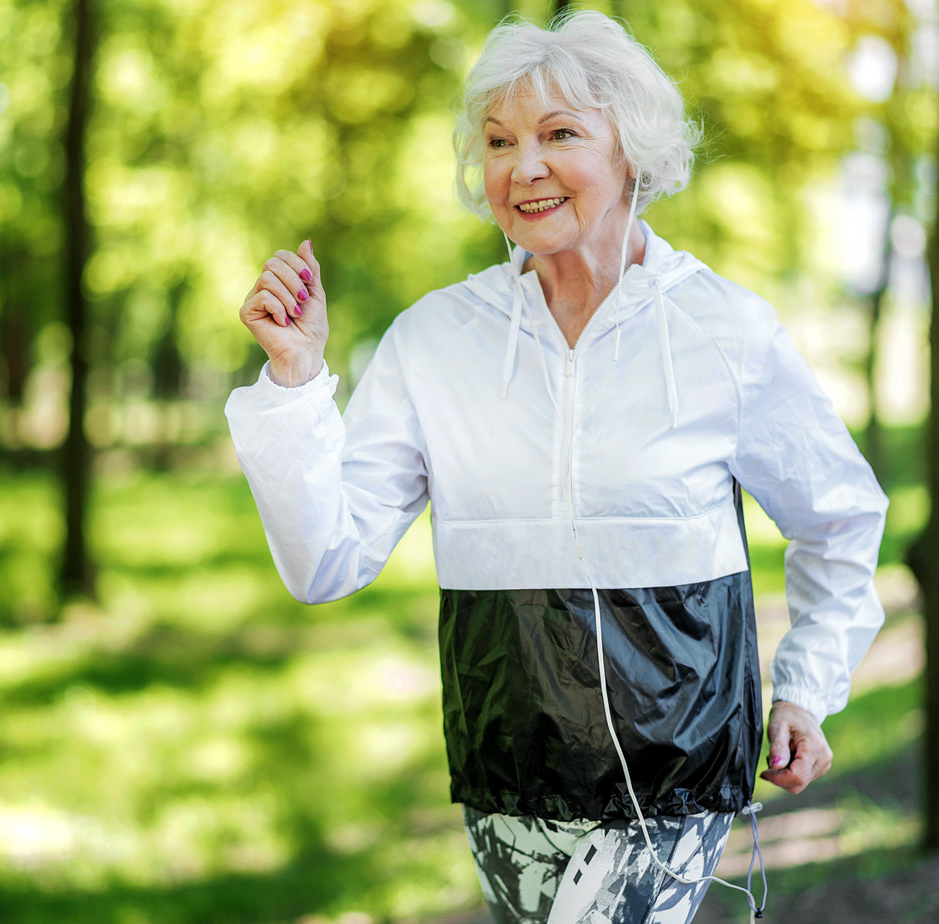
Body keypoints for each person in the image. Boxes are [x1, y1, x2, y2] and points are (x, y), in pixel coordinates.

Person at [225, 11, 887, 924]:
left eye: (559, 134)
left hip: (678, 783)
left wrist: (807, 690)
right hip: (512, 786)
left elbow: (839, 517)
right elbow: (325, 561)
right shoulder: (435, 343)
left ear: (634, 154)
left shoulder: (725, 333)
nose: (521, 167)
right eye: (498, 141)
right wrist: (297, 383)